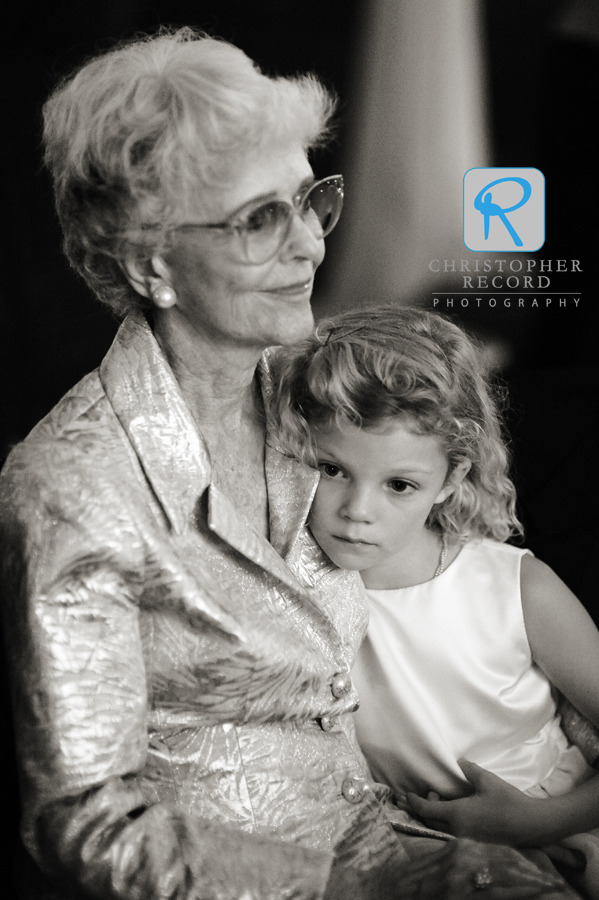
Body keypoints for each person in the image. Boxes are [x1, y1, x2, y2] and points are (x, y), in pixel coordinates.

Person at [0, 29, 572, 900]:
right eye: (260, 219)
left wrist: (551, 790)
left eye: (311, 201)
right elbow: (89, 824)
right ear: (153, 261)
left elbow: (466, 555)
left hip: (401, 831)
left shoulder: (315, 388)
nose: (309, 245)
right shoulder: (72, 487)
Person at [269, 305, 599, 897]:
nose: (357, 512)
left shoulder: (516, 588)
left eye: (399, 485)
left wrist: (535, 821)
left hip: (561, 831)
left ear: (449, 479)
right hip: (409, 852)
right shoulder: (290, 590)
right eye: (332, 469)